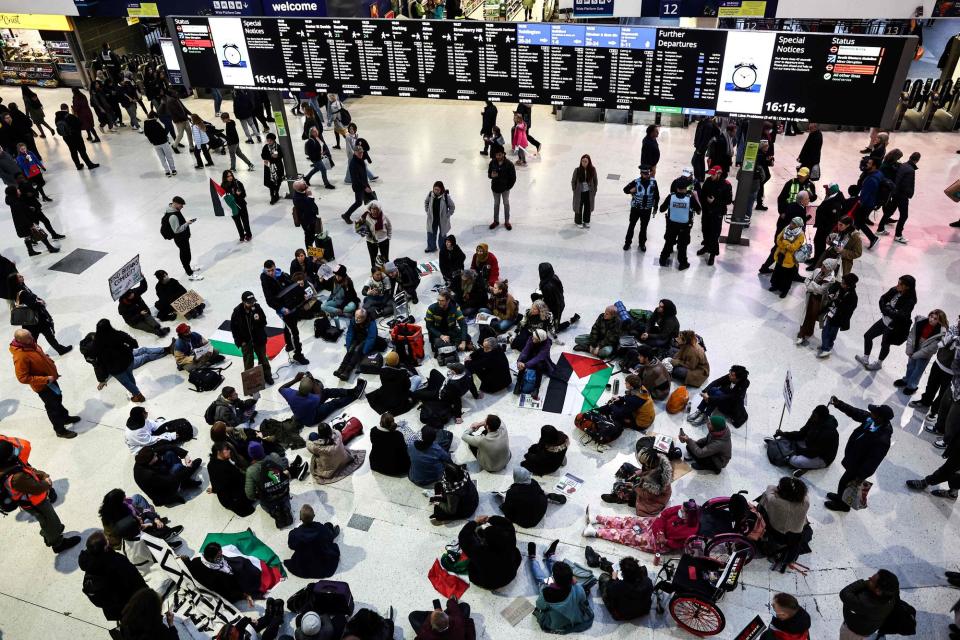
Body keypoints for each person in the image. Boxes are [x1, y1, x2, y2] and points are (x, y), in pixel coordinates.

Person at [0, 439, 80, 551]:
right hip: (36, 503)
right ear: (8, 458)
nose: (16, 451)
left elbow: (28, 470)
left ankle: (48, 532)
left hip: (35, 501)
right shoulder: (16, 478)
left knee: (46, 519)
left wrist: (41, 474)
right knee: (50, 520)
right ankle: (57, 543)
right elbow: (36, 489)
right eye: (13, 451)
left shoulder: (9, 466)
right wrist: (47, 483)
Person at [824, 398, 893, 512]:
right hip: (854, 458)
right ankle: (841, 497)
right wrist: (839, 404)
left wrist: (860, 477)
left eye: (874, 413)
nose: (870, 413)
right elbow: (856, 412)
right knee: (845, 483)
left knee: (845, 483)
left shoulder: (882, 440)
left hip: (859, 467)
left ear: (880, 418)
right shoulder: (871, 420)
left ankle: (843, 505)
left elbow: (873, 462)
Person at [10, 329, 80, 437]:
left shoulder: (31, 343)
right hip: (43, 386)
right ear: (20, 340)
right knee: (53, 407)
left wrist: (49, 362)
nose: (32, 338)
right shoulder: (20, 356)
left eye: (30, 335)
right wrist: (45, 379)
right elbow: (22, 377)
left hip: (51, 379)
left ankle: (65, 418)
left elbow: (41, 356)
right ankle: (60, 430)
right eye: (28, 337)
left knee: (57, 399)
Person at [90, 318, 169, 402]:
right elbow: (134, 343)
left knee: (126, 382)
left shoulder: (96, 344)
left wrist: (102, 379)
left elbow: (97, 362)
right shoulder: (118, 334)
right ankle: (165, 350)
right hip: (128, 361)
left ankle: (138, 395)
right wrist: (128, 349)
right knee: (130, 376)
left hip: (115, 369)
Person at [583, 499, 700, 554]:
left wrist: (665, 540)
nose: (680, 511)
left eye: (683, 511)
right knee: (629, 522)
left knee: (628, 536)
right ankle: (598, 519)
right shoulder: (681, 508)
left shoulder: (690, 531)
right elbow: (664, 515)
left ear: (689, 515)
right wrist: (660, 531)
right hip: (655, 526)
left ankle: (595, 532)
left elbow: (678, 544)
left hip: (658, 542)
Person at [79, 530, 148, 622]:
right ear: (106, 547)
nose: (109, 539)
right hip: (129, 605)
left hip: (113, 609)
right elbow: (136, 581)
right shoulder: (118, 562)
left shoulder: (90, 563)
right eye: (107, 539)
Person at [855, 275, 917, 372]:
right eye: (898, 282)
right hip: (884, 320)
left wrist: (887, 308)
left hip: (894, 326)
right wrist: (887, 309)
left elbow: (899, 316)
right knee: (868, 336)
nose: (897, 285)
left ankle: (879, 363)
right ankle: (865, 358)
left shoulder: (910, 301)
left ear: (907, 287)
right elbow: (882, 299)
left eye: (901, 284)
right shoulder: (894, 290)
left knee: (885, 344)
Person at [529, 546, 595, 634]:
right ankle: (548, 556)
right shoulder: (578, 588)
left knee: (542, 581)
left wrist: (549, 584)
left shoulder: (546, 593)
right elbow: (583, 600)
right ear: (571, 578)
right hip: (575, 618)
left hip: (556, 623)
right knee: (559, 573)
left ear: (554, 579)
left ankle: (533, 559)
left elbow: (540, 605)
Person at [910, 313, 959, 422]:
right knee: (931, 386)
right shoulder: (952, 328)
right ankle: (925, 402)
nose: (959, 321)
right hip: (938, 363)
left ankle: (934, 411)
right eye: (959, 318)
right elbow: (942, 342)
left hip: (951, 372)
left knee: (942, 393)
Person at [7, 273, 71, 354]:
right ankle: (38, 354)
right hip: (36, 319)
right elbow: (33, 305)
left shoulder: (18, 289)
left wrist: (38, 300)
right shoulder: (22, 292)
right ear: (15, 281)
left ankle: (56, 350)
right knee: (42, 336)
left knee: (42, 336)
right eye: (20, 277)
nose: (22, 277)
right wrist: (41, 303)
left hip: (29, 321)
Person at [260, 259, 309, 365]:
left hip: (291, 305)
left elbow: (292, 286)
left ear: (275, 267)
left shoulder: (281, 274)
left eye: (272, 270)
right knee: (294, 331)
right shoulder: (265, 280)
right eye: (268, 271)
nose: (270, 273)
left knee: (288, 327)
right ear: (265, 270)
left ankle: (289, 344)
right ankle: (298, 354)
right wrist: (280, 309)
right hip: (283, 309)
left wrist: (301, 293)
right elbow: (269, 300)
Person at [769, 405, 840, 476]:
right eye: (812, 413)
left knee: (794, 461)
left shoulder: (829, 433)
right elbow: (801, 434)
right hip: (810, 444)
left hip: (822, 457)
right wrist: (784, 434)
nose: (811, 416)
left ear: (821, 418)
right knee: (790, 439)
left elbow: (813, 453)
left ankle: (805, 467)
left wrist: (796, 450)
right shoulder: (813, 419)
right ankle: (781, 446)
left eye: (814, 415)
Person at [602, 445, 672, 515]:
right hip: (646, 485)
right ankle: (625, 484)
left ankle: (617, 497)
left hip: (651, 502)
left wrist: (634, 486)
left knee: (625, 490)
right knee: (626, 466)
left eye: (644, 464)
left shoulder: (655, 481)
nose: (643, 466)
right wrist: (636, 474)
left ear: (650, 464)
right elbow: (645, 471)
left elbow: (645, 495)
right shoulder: (656, 462)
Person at [458, 515, 522, 590]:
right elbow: (507, 524)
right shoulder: (510, 540)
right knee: (516, 551)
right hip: (510, 576)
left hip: (489, 583)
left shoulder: (479, 553)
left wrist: (475, 522)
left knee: (471, 565)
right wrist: (490, 519)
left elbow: (463, 537)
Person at [188, 541, 262, 605]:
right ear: (210, 558)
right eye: (218, 556)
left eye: (221, 553)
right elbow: (231, 592)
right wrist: (246, 596)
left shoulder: (196, 560)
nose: (221, 556)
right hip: (225, 593)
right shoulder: (219, 576)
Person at [280, 371, 364, 426]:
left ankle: (351, 391)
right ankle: (355, 395)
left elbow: (281, 389)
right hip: (312, 419)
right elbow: (319, 393)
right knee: (334, 403)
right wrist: (312, 380)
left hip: (302, 413)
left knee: (327, 392)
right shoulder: (311, 400)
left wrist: (295, 379)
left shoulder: (290, 394)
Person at [897, 310, 949, 395]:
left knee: (918, 369)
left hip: (925, 353)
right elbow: (912, 335)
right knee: (910, 365)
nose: (931, 319)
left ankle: (912, 386)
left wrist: (916, 355)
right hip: (915, 346)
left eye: (935, 319)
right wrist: (909, 349)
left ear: (939, 321)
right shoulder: (920, 322)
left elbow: (930, 349)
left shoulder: (940, 334)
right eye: (931, 316)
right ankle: (906, 379)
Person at [229, 290, 274, 385]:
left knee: (263, 359)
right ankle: (250, 384)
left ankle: (267, 376)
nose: (252, 304)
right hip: (246, 341)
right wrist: (240, 342)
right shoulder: (237, 312)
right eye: (249, 303)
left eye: (253, 302)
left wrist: (257, 321)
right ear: (243, 302)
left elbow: (264, 321)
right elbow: (234, 328)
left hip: (259, 339)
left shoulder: (257, 308)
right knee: (248, 363)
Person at [284, 504, 340, 578]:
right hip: (322, 567)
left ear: (300, 518)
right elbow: (329, 540)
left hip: (302, 568)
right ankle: (332, 531)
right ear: (313, 516)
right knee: (328, 526)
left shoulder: (294, 533)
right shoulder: (321, 529)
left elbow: (291, 546)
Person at [838, 571, 900, 639]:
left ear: (878, 591)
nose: (869, 578)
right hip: (869, 628)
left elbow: (844, 593)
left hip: (853, 632)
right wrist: (871, 584)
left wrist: (864, 582)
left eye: (871, 580)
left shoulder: (866, 604)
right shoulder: (892, 594)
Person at [756, 477, 810, 554]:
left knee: (764, 497)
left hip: (776, 535)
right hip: (794, 536)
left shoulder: (775, 501)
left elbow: (770, 488)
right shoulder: (806, 502)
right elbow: (803, 494)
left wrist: (778, 488)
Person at [658, 175, 701, 270]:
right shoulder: (690, 198)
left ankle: (663, 259)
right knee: (682, 246)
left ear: (676, 188)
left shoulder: (671, 197)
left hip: (671, 225)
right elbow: (698, 210)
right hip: (684, 227)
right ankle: (682, 263)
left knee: (668, 242)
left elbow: (661, 209)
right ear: (686, 188)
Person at [6, 185, 60, 256]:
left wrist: (28, 208)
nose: (18, 190)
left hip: (21, 224)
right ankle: (49, 247)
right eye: (17, 190)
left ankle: (30, 251)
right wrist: (30, 224)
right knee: (41, 234)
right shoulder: (16, 203)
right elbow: (22, 215)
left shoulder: (13, 200)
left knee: (27, 237)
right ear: (14, 192)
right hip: (26, 222)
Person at [877, 151, 918, 244]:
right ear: (917, 160)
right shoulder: (910, 170)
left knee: (889, 211)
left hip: (895, 193)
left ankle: (880, 228)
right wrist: (909, 194)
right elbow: (907, 185)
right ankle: (898, 235)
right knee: (904, 215)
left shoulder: (902, 165)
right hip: (902, 196)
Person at [796, 258, 839, 346]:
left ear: (830, 269)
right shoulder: (817, 271)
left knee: (812, 316)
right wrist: (812, 285)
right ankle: (802, 334)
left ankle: (807, 332)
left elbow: (821, 290)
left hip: (819, 300)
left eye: (825, 267)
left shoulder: (831, 279)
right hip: (810, 296)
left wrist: (811, 284)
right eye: (822, 265)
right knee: (806, 316)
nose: (822, 267)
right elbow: (807, 280)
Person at [206, 441, 255, 516]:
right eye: (226, 450)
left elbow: (216, 484)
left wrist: (213, 489)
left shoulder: (210, 464)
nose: (229, 451)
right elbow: (240, 478)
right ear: (219, 452)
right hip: (236, 500)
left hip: (225, 501)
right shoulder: (226, 466)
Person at [697, 166, 733, 266]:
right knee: (705, 230)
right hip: (706, 212)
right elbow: (702, 194)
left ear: (719, 174)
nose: (711, 176)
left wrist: (715, 201)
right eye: (710, 174)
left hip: (717, 213)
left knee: (714, 234)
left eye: (713, 174)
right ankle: (706, 246)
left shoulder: (726, 185)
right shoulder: (708, 181)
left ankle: (712, 254)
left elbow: (728, 201)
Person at [334, 307, 383, 381]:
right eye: (356, 317)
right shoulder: (354, 320)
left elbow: (371, 338)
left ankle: (347, 371)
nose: (356, 319)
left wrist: (364, 350)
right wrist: (348, 345)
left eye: (359, 318)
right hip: (357, 337)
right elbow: (350, 333)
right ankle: (341, 368)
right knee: (350, 350)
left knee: (357, 351)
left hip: (366, 339)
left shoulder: (371, 322)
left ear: (364, 317)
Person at [162, 196, 202, 281]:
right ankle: (190, 273)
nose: (182, 207)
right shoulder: (172, 216)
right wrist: (187, 223)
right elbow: (177, 230)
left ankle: (188, 268)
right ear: (175, 203)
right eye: (181, 205)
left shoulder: (174, 210)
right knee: (185, 254)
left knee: (186, 253)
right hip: (180, 238)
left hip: (183, 237)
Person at [806, 183, 846, 269]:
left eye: (827, 188)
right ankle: (816, 258)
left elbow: (833, 219)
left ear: (831, 190)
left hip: (825, 228)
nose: (825, 190)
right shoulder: (831, 196)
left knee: (820, 244)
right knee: (817, 242)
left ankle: (817, 263)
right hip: (822, 226)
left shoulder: (835, 203)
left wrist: (826, 230)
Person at [769, 217, 806, 298]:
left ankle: (784, 290)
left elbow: (793, 247)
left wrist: (784, 242)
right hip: (781, 255)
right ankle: (775, 285)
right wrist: (785, 245)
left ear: (798, 226)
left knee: (787, 276)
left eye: (793, 223)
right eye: (791, 222)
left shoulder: (801, 235)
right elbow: (778, 239)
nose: (791, 224)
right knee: (778, 271)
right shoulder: (786, 228)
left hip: (790, 259)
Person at [53, 103, 98, 170]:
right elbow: (80, 123)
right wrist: (75, 115)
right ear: (67, 108)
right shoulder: (70, 116)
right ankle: (89, 165)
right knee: (82, 150)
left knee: (73, 151)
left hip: (66, 137)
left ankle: (78, 166)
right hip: (76, 136)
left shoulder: (57, 117)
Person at [409, 596, 474, 640]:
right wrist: (451, 600)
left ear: (431, 625)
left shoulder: (426, 633)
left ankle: (435, 615)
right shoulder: (458, 622)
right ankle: (438, 614)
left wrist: (432, 615)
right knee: (465, 607)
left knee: (412, 616)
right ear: (448, 617)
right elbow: (455, 611)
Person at [425, 289, 469, 354]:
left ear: (448, 300)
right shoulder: (431, 308)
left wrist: (463, 341)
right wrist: (441, 336)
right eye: (438, 300)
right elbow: (429, 326)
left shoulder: (455, 307)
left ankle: (450, 348)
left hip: (451, 329)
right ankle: (454, 346)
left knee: (467, 338)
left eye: (442, 300)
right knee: (438, 344)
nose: (439, 302)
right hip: (438, 331)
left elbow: (463, 324)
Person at [355, 201, 392, 269]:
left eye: (376, 209)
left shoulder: (384, 217)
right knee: (373, 257)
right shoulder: (366, 216)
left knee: (385, 257)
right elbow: (358, 224)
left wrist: (388, 237)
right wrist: (360, 230)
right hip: (371, 241)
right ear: (370, 209)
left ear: (379, 209)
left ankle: (387, 270)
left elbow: (389, 227)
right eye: (373, 209)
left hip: (383, 240)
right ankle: (375, 271)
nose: (374, 211)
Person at [487, 145, 516, 230]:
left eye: (500, 155)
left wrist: (508, 187)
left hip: (505, 189)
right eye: (497, 155)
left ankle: (507, 221)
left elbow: (513, 178)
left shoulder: (509, 164)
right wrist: (491, 175)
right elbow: (489, 174)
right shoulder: (492, 163)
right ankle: (496, 221)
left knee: (506, 204)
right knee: (496, 204)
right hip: (495, 188)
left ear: (503, 154)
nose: (498, 157)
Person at [222, 169, 253, 242]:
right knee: (237, 222)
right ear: (225, 178)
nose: (230, 177)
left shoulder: (238, 183)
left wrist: (239, 194)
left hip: (241, 205)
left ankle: (248, 234)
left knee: (245, 221)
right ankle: (241, 236)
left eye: (231, 175)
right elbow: (224, 198)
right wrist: (235, 195)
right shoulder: (223, 186)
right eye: (228, 176)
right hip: (232, 207)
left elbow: (244, 194)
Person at [144, 111, 176, 176]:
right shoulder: (156, 123)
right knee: (169, 156)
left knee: (162, 158)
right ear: (154, 117)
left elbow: (146, 134)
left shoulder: (146, 124)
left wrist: (152, 141)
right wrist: (167, 131)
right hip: (163, 142)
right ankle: (173, 170)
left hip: (155, 144)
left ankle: (167, 171)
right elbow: (163, 133)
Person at [570, 154, 597, 228]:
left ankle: (586, 221)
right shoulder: (577, 170)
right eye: (582, 161)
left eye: (585, 161)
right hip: (579, 193)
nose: (584, 163)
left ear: (589, 162)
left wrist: (594, 190)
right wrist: (574, 190)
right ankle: (578, 221)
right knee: (579, 207)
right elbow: (573, 181)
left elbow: (595, 181)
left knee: (588, 207)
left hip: (589, 192)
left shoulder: (592, 170)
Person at [692, 116, 719, 183]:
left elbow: (705, 139)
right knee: (699, 161)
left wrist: (700, 149)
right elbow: (698, 134)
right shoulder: (702, 122)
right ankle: (701, 178)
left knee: (695, 161)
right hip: (699, 146)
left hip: (701, 147)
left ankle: (698, 178)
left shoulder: (708, 125)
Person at [261, 132, 285, 204]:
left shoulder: (278, 147)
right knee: (270, 181)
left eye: (270, 140)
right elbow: (263, 156)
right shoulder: (265, 147)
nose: (268, 142)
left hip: (278, 166)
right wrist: (270, 156)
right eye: (267, 140)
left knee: (278, 180)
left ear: (274, 140)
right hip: (269, 166)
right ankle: (272, 196)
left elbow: (281, 155)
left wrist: (277, 156)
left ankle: (276, 193)